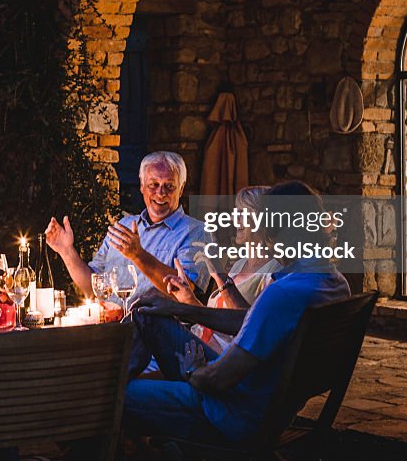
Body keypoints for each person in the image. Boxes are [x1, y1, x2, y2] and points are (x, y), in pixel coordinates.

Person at [122, 180, 351, 444]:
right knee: (148, 314)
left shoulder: (284, 293)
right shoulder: (334, 283)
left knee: (110, 396)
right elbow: (252, 321)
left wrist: (193, 372)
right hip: (270, 409)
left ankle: (94, 399)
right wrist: (181, 309)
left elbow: (218, 379)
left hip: (231, 413)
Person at [45, 151, 212, 306]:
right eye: (153, 184)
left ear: (181, 189)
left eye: (169, 186)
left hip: (157, 332)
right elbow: (92, 286)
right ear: (141, 186)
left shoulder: (197, 232)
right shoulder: (123, 226)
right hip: (112, 326)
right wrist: (66, 251)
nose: (160, 193)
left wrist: (138, 255)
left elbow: (185, 291)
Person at [160, 185, 282, 354]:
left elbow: (253, 325)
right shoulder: (240, 264)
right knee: (145, 317)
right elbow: (215, 320)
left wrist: (219, 275)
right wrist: (189, 298)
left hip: (225, 361)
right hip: (202, 345)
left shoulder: (275, 270)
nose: (234, 218)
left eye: (242, 213)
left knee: (150, 319)